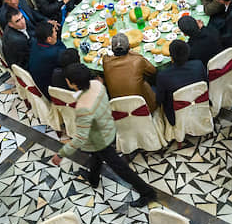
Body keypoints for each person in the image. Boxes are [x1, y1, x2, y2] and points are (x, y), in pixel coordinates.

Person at [50, 66, 157, 207]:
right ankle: (93, 179)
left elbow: (80, 137)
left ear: (72, 83)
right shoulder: (97, 85)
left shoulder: (83, 107)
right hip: (108, 128)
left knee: (120, 168)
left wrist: (61, 154)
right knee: (96, 157)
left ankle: (148, 193)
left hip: (100, 140)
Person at [154, 40, 208, 125]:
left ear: (171, 57)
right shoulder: (198, 65)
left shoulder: (163, 76)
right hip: (201, 107)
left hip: (176, 116)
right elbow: (206, 85)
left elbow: (159, 100)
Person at [102, 32, 158, 110]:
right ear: (129, 47)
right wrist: (134, 53)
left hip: (120, 111)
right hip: (144, 109)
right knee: (153, 83)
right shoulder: (138, 60)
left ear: (112, 49)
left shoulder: (106, 61)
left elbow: (106, 56)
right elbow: (153, 71)